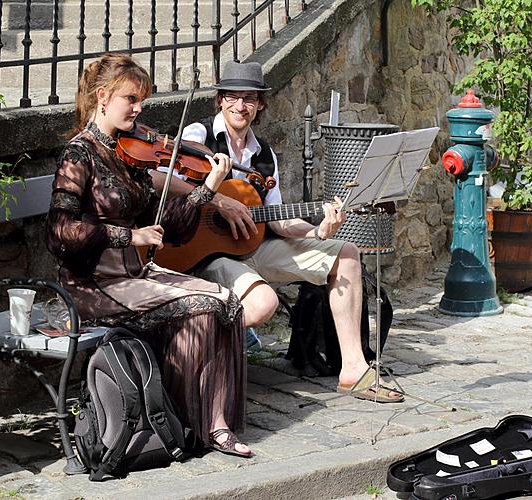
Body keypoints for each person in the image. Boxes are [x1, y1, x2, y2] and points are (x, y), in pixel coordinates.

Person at [151, 60, 403, 403]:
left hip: (255, 245)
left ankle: (354, 370)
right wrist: (219, 201)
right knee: (261, 305)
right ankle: (184, 356)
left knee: (346, 253)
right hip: (204, 250)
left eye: (250, 99)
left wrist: (319, 231)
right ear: (220, 100)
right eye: (234, 98)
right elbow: (157, 179)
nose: (241, 106)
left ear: (260, 104)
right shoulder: (199, 135)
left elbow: (279, 220)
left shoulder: (263, 155)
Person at [45, 54, 253, 457]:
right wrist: (128, 236)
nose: (139, 109)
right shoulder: (78, 155)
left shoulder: (129, 155)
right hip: (93, 284)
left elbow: (171, 228)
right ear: (103, 97)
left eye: (141, 100)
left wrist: (207, 188)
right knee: (200, 306)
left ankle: (210, 423)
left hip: (137, 276)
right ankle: (186, 423)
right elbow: (59, 233)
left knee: (226, 301)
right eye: (131, 99)